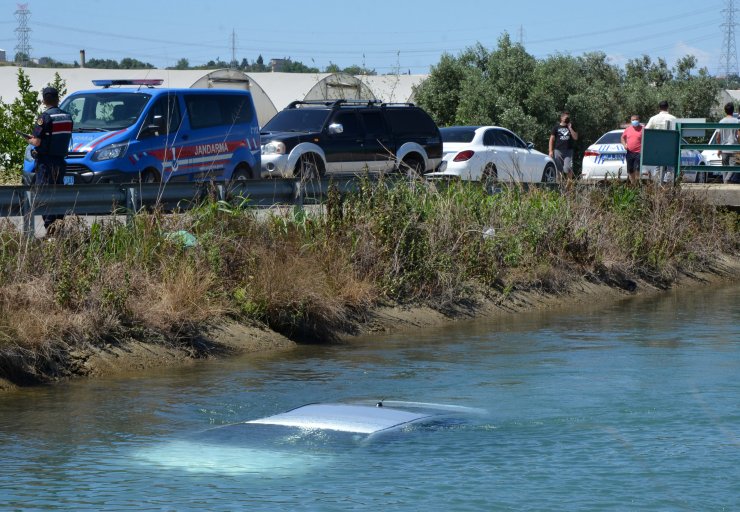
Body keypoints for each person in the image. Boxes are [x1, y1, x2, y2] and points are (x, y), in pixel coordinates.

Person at [27, 86, 73, 233]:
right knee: (58, 193)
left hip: (46, 163)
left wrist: (30, 140)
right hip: (61, 162)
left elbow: (38, 142)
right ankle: (59, 227)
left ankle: (50, 228)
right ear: (57, 98)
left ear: (44, 100)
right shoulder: (67, 116)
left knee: (44, 195)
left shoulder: (45, 117)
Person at [645, 100, 677, 183]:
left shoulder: (653, 118)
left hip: (658, 146)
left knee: (658, 167)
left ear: (659, 108)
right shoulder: (673, 118)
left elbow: (646, 131)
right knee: (670, 166)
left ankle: (658, 186)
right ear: (668, 107)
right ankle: (670, 185)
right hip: (670, 146)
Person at [549, 111, 578, 182]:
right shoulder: (556, 127)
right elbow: (551, 139)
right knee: (559, 169)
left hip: (568, 151)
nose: (567, 118)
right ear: (561, 118)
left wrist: (570, 128)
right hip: (558, 150)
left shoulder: (572, 126)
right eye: (566, 117)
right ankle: (559, 185)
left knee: (568, 168)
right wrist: (550, 151)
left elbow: (576, 137)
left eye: (568, 117)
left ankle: (569, 185)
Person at [716, 101, 740, 184]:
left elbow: (718, 137)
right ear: (733, 111)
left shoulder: (721, 121)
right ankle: (726, 181)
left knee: (724, 168)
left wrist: (719, 149)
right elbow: (739, 135)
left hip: (724, 149)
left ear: (725, 111)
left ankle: (724, 183)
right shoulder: (737, 121)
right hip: (734, 148)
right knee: (733, 167)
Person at [620, 114, 643, 185]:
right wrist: (624, 145)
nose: (634, 121)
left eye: (636, 120)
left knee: (637, 169)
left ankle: (638, 183)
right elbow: (622, 138)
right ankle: (633, 184)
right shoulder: (628, 129)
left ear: (639, 120)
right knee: (630, 170)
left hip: (639, 153)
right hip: (630, 152)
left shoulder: (643, 129)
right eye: (633, 120)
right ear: (631, 121)